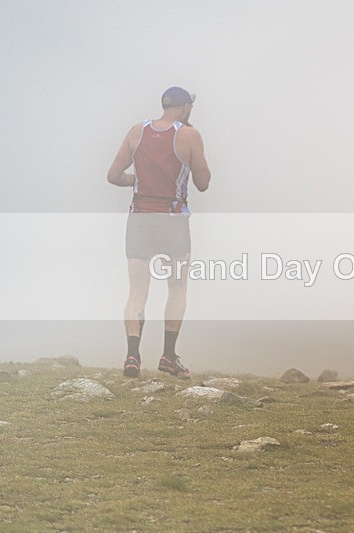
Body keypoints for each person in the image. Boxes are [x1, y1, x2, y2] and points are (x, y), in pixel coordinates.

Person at [107, 86, 211, 379]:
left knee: (137, 294)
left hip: (140, 217)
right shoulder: (189, 135)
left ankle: (132, 355)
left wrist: (138, 180)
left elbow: (113, 175)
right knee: (176, 288)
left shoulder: (137, 131)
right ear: (185, 107)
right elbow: (203, 182)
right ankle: (168, 355)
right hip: (173, 219)